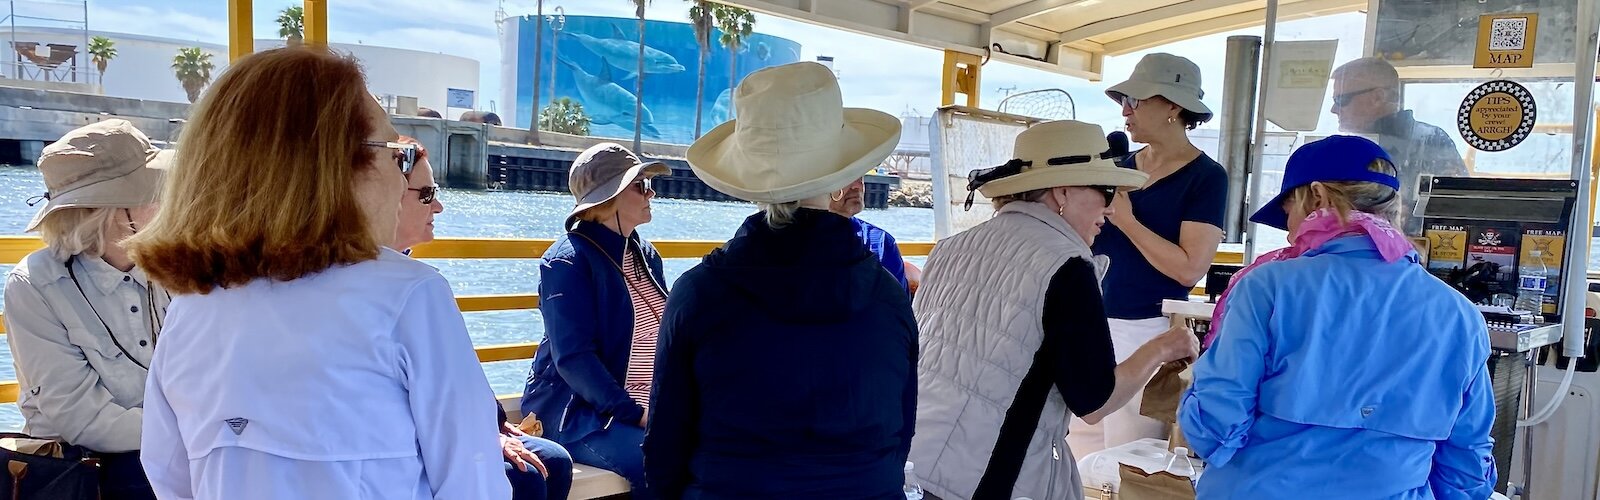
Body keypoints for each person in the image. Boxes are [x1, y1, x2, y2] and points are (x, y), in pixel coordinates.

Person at [127, 46, 510, 499]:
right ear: (336, 167)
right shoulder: (408, 295)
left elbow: (169, 474)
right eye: (398, 157)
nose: (400, 178)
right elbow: (473, 479)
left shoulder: (192, 307)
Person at [644, 61, 916, 499]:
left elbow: (665, 448)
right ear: (840, 176)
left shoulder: (699, 293)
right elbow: (899, 435)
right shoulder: (888, 295)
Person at [1180, 136, 1495, 499]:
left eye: (1287, 211)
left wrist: (1190, 391)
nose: (1288, 229)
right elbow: (1466, 472)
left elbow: (1215, 428)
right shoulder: (1460, 314)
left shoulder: (1267, 286)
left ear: (1316, 196)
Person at [909, 120, 1199, 500]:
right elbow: (1095, 401)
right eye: (1105, 189)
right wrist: (1161, 348)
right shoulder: (1067, 265)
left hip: (913, 459)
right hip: (988, 478)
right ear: (1062, 191)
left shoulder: (949, 249)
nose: (1111, 208)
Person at [391, 136, 573, 500]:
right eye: (426, 194)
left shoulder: (413, 278)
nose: (438, 206)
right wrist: (486, 436)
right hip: (408, 442)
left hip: (442, 428)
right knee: (525, 476)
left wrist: (495, 427)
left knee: (553, 461)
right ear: (387, 194)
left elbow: (454, 379)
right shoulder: (408, 288)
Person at [3, 119, 171, 500]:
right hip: (83, 468)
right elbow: (82, 419)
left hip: (167, 450)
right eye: (154, 191)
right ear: (110, 211)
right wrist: (190, 435)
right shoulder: (34, 286)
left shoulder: (172, 266)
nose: (169, 199)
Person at [1075, 52, 1228, 454]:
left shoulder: (1206, 177)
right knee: (1075, 456)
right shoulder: (1116, 166)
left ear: (1174, 107)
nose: (1125, 110)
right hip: (1088, 321)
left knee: (1128, 459)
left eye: (1136, 100)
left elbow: (1190, 270)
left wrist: (1126, 219)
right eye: (1123, 101)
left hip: (1150, 330)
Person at [520, 142, 670, 499]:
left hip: (634, 411)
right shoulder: (567, 260)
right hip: (575, 414)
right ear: (611, 196)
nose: (651, 192)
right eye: (641, 185)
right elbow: (574, 357)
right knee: (661, 459)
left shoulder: (644, 253)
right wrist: (635, 413)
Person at [1330, 57, 1468, 236]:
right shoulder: (1350, 148)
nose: (1333, 109)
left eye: (1341, 100)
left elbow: (1456, 209)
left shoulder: (1429, 140)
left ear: (1377, 97)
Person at [828, 176, 909, 293]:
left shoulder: (882, 242)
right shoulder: (797, 240)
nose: (857, 186)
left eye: (860, 177)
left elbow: (897, 306)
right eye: (847, 177)